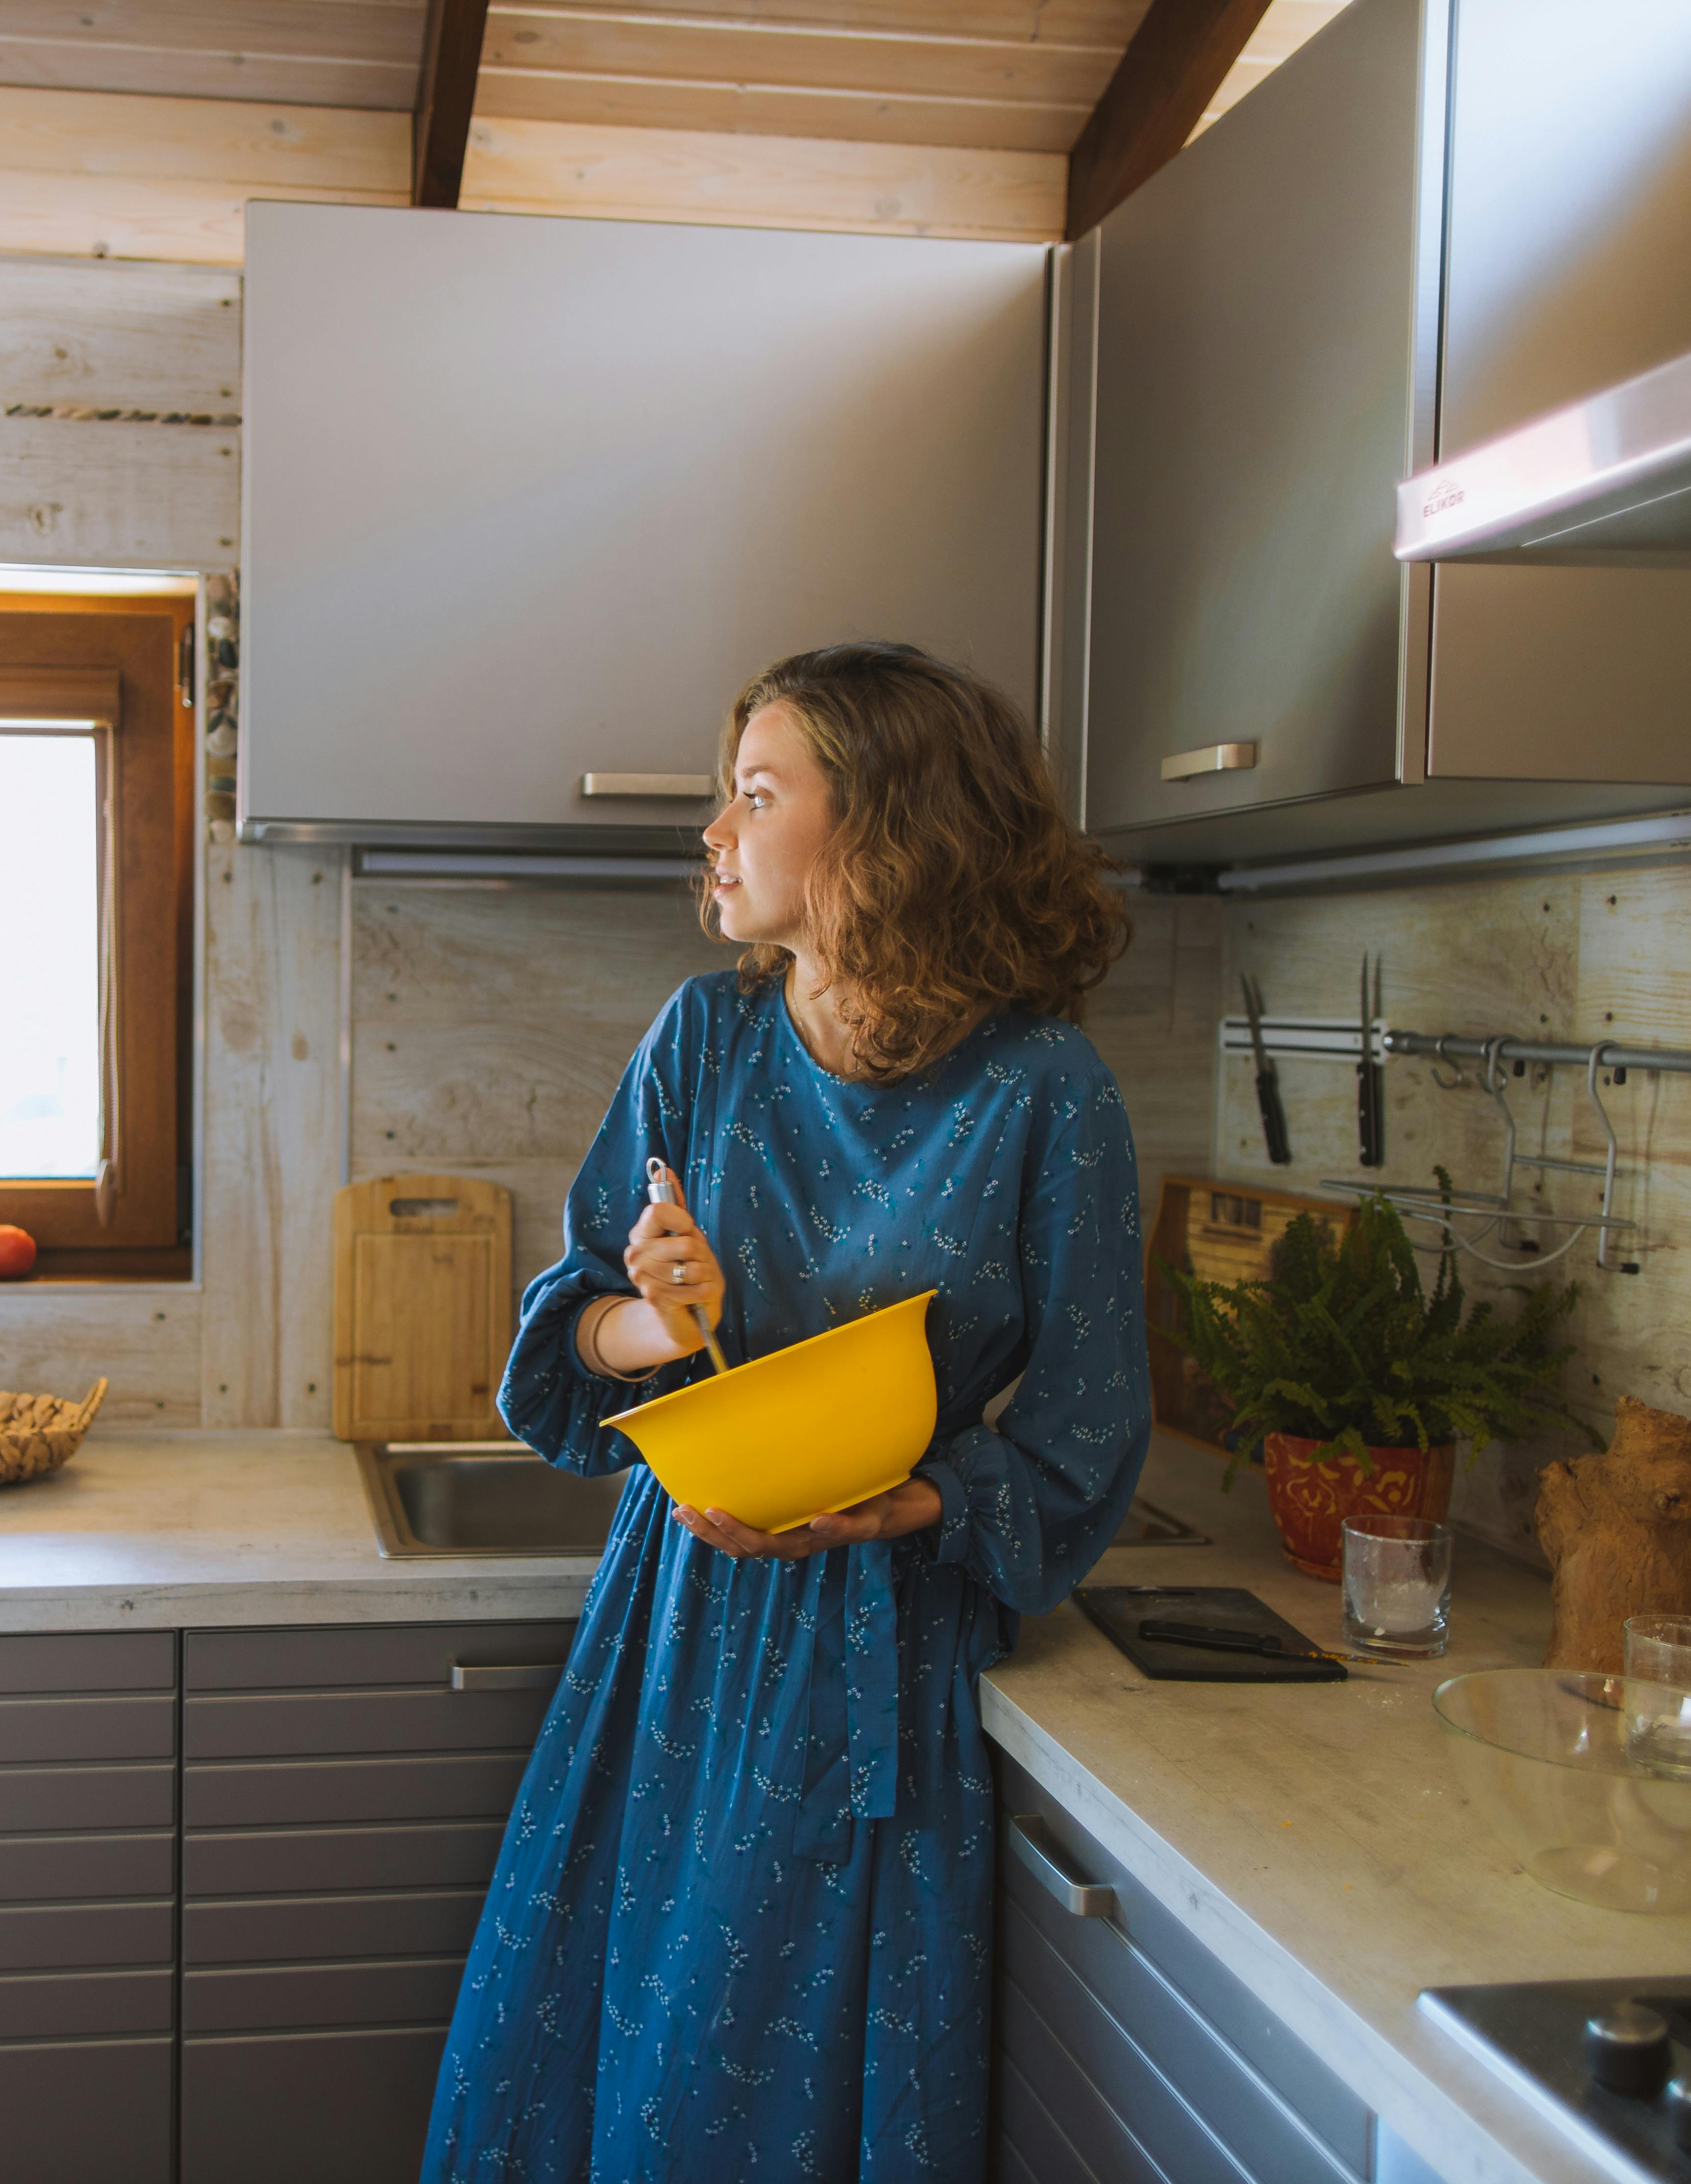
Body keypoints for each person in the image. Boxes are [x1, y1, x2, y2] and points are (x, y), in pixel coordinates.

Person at [418, 642, 1153, 2183]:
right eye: (727, 796)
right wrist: (652, 1316)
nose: (716, 832)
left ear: (889, 828)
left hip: (885, 1627)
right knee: (611, 2051)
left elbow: (1089, 1432)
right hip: (677, 1620)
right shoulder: (704, 1039)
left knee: (780, 2095)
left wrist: (932, 1502)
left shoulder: (1048, 1091)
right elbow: (564, 1350)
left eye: (758, 795)